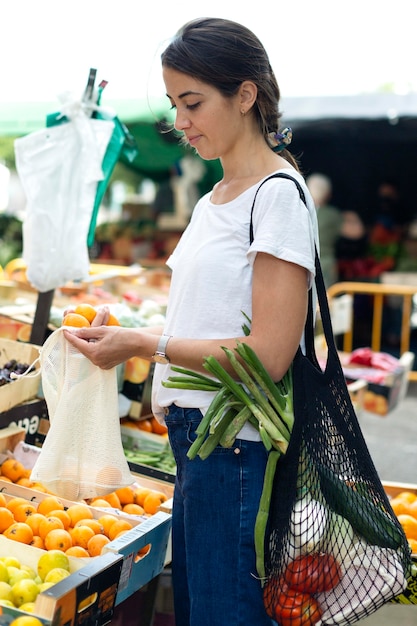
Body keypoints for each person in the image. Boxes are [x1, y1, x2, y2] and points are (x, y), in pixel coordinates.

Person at [63, 17, 319, 626]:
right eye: (176, 103)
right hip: (199, 443)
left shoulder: (276, 196)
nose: (180, 121)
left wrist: (144, 343)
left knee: (222, 614)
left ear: (246, 95)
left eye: (193, 102)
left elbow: (268, 355)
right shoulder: (216, 198)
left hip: (235, 451)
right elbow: (204, 316)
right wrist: (122, 329)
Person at [306, 172, 342, 288]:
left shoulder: (299, 211)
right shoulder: (333, 215)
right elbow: (356, 232)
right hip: (325, 264)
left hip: (302, 261)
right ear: (328, 194)